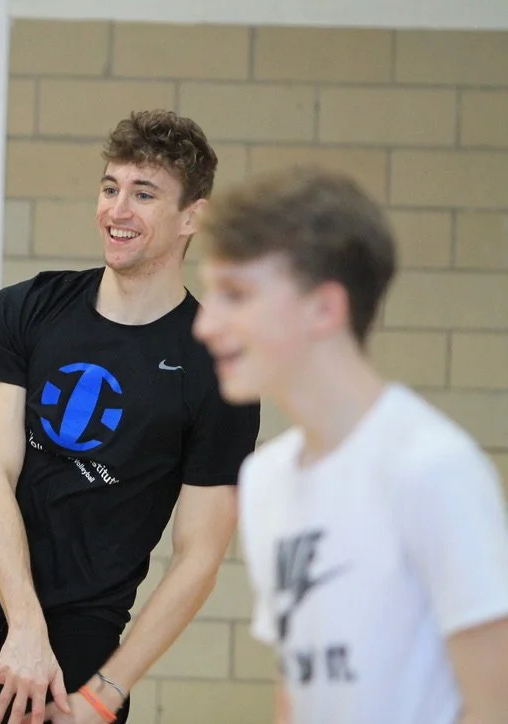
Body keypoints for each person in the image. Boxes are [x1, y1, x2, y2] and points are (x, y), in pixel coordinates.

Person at [0, 109, 261, 724]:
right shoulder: (25, 310)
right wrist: (25, 629)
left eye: (144, 195)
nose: (118, 210)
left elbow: (199, 555)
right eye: (110, 188)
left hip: (80, 655)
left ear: (191, 215)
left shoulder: (216, 369)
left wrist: (105, 693)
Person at [192, 165, 508, 724]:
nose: (205, 325)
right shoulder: (265, 478)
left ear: (325, 308)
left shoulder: (431, 466)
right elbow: (296, 687)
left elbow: (494, 705)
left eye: (235, 295)